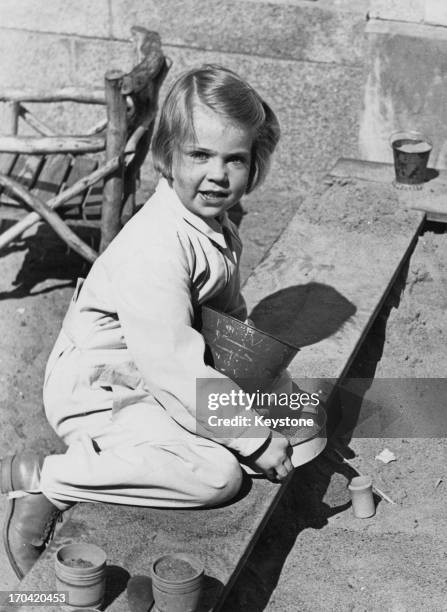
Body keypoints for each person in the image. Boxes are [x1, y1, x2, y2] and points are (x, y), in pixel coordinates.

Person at [0, 64, 293, 579]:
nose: (218, 175)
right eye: (200, 155)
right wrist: (254, 436)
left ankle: (126, 456)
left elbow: (225, 320)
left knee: (265, 428)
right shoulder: (157, 248)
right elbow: (173, 368)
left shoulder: (212, 226)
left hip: (150, 372)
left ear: (255, 165)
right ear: (168, 157)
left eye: (235, 160)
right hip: (99, 389)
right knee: (219, 474)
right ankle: (48, 478)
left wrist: (269, 395)